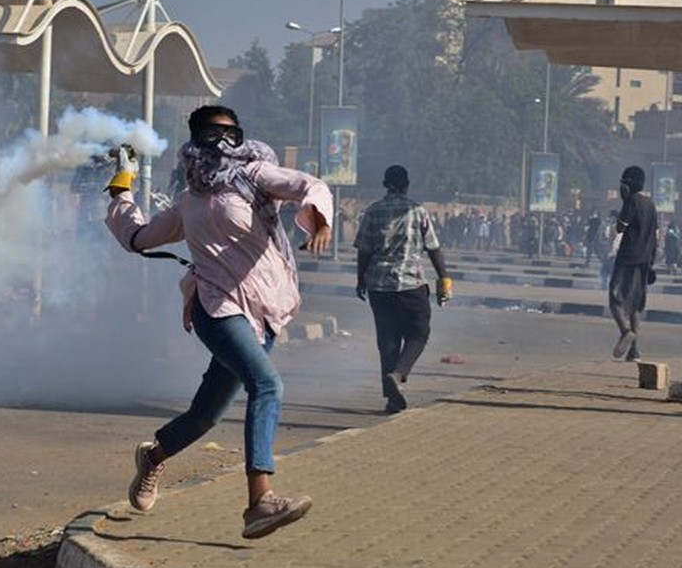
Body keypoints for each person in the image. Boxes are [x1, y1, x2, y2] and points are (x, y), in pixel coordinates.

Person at [103, 105, 333, 539]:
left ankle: (153, 457)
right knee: (267, 385)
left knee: (206, 416)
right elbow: (136, 237)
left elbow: (308, 185)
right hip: (215, 306)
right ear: (195, 138)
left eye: (233, 134)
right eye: (215, 133)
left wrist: (319, 218)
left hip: (262, 310)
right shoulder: (189, 201)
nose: (224, 143)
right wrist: (122, 185)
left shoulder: (254, 175)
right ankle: (260, 502)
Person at [355, 165, 451, 414]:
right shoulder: (418, 211)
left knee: (388, 340)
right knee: (419, 333)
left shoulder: (372, 211)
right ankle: (398, 375)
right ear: (407, 184)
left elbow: (364, 250)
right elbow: (433, 248)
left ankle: (392, 399)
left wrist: (360, 280)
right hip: (411, 284)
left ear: (384, 184)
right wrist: (444, 278)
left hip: (379, 286)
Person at [609, 165, 658, 361]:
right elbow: (655, 237)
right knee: (634, 305)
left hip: (627, 258)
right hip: (644, 260)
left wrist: (624, 199)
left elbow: (620, 228)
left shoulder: (632, 201)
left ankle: (625, 331)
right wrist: (652, 262)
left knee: (614, 298)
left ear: (628, 184)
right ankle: (634, 351)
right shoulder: (651, 205)